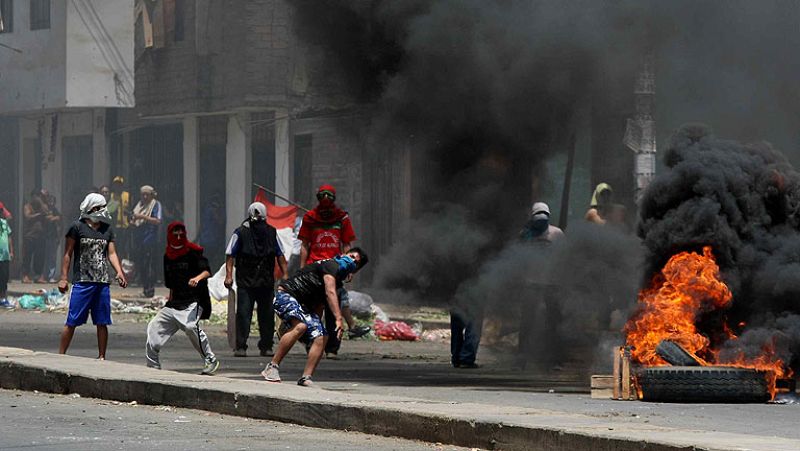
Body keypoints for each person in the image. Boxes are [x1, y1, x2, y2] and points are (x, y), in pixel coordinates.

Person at [261, 248, 369, 386]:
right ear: (343, 255)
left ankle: (306, 377)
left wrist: (314, 330)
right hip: (287, 295)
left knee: (322, 335)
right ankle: (272, 367)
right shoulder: (331, 265)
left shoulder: (338, 282)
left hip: (304, 307)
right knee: (300, 326)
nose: (351, 260)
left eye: (355, 262)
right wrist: (338, 318)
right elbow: (329, 292)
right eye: (351, 256)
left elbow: (320, 306)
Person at [298, 184, 368, 357]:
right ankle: (312, 343)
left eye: (329, 196)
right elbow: (305, 245)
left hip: (335, 267)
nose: (326, 199)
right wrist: (302, 268)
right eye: (323, 196)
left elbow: (346, 245)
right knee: (314, 308)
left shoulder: (342, 218)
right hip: (315, 268)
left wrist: (349, 266)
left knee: (333, 307)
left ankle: (332, 347)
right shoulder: (310, 218)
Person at [57, 193, 127, 359]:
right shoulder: (77, 227)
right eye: (101, 207)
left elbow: (111, 253)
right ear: (93, 208)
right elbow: (68, 253)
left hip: (102, 282)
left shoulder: (107, 229)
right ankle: (60, 356)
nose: (104, 210)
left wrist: (119, 271)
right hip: (83, 281)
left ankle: (101, 356)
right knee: (72, 321)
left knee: (102, 322)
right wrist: (63, 277)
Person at [145, 221, 219, 375]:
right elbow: (171, 283)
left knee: (190, 326)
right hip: (175, 302)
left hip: (194, 300)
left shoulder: (193, 251)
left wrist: (197, 278)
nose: (178, 235)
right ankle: (153, 366)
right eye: (175, 232)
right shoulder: (167, 255)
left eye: (181, 231)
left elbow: (207, 271)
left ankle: (210, 359)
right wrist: (168, 304)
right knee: (153, 327)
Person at [224, 202, 288, 357]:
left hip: (265, 280)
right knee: (243, 314)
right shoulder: (240, 232)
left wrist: (285, 275)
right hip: (246, 280)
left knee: (267, 314)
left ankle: (266, 346)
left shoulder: (271, 233)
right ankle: (241, 346)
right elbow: (230, 255)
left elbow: (280, 255)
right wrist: (229, 275)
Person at [518, 202, 565, 367]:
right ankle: (522, 358)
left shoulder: (556, 233)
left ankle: (554, 359)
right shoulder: (526, 234)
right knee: (527, 322)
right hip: (531, 283)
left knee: (553, 323)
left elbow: (564, 256)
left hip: (551, 284)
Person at [131, 185, 163, 297]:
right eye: (143, 194)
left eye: (147, 194)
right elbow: (134, 218)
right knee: (142, 264)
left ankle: (150, 289)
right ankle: (145, 288)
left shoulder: (155, 205)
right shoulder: (139, 205)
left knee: (150, 265)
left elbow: (157, 221)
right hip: (139, 238)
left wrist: (143, 217)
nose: (144, 197)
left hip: (150, 238)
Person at [40, 189, 62, 282]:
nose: (51, 203)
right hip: (46, 237)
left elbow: (60, 219)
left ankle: (51, 276)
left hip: (54, 237)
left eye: (53, 201)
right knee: (45, 257)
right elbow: (47, 219)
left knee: (52, 257)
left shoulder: (55, 210)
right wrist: (53, 218)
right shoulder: (45, 209)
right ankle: (43, 276)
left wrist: (58, 237)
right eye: (50, 201)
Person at [109, 176, 131, 259]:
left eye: (120, 184)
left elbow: (131, 208)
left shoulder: (127, 195)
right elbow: (109, 210)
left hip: (126, 226)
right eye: (116, 184)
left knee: (125, 248)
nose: (118, 186)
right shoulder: (111, 196)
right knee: (115, 247)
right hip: (115, 226)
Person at [0, 202, 14, 309]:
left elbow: (9, 238)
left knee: (4, 278)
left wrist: (11, 251)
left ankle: (3, 298)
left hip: (5, 256)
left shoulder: (4, 223)